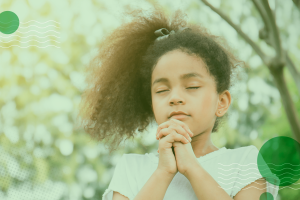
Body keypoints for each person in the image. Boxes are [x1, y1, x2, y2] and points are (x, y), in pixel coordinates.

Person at [75, 4, 279, 200]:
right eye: (162, 90)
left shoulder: (246, 162)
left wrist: (191, 167)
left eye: (191, 87)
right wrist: (163, 172)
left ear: (222, 102)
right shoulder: (131, 167)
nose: (174, 98)